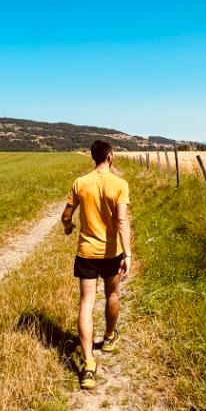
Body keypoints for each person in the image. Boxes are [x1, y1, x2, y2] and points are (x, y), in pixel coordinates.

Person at [62, 140, 131, 390]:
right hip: (112, 252)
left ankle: (89, 363)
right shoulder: (120, 185)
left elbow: (67, 215)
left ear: (93, 157)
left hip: (87, 253)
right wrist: (129, 254)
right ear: (110, 157)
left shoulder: (80, 183)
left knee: (86, 303)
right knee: (112, 294)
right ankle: (109, 337)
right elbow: (122, 221)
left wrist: (69, 228)